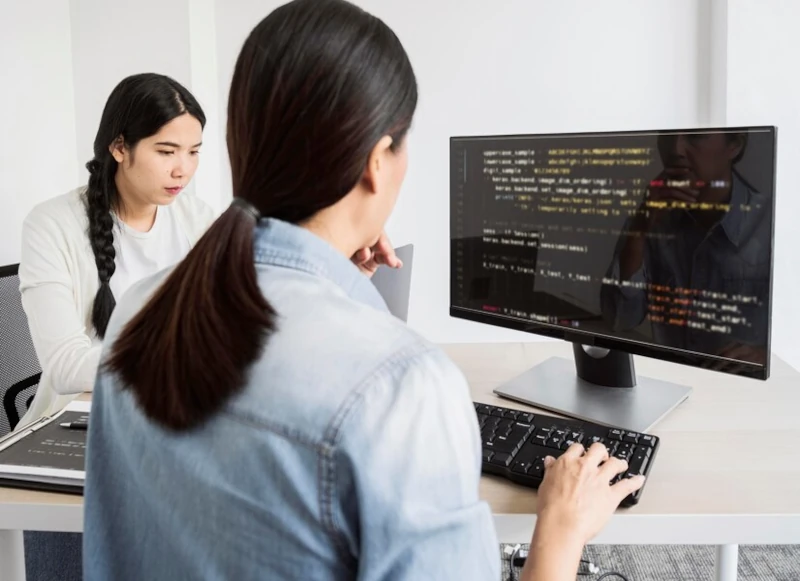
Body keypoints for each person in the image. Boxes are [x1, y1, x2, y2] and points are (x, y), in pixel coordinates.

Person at [83, 1, 644, 579]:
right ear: (378, 160)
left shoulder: (139, 309)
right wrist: (561, 529)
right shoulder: (402, 384)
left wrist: (339, 279)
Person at [17, 73, 216, 428]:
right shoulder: (50, 225)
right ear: (120, 147)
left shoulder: (197, 219)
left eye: (194, 152)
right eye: (167, 151)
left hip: (173, 413)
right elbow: (64, 364)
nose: (183, 169)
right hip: (79, 421)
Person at [601, 131, 771, 372]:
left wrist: (765, 356)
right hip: (670, 383)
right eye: (668, 137)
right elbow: (618, 319)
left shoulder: (773, 223)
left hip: (745, 394)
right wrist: (639, 231)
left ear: (734, 146)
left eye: (695, 136)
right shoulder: (649, 219)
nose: (676, 149)